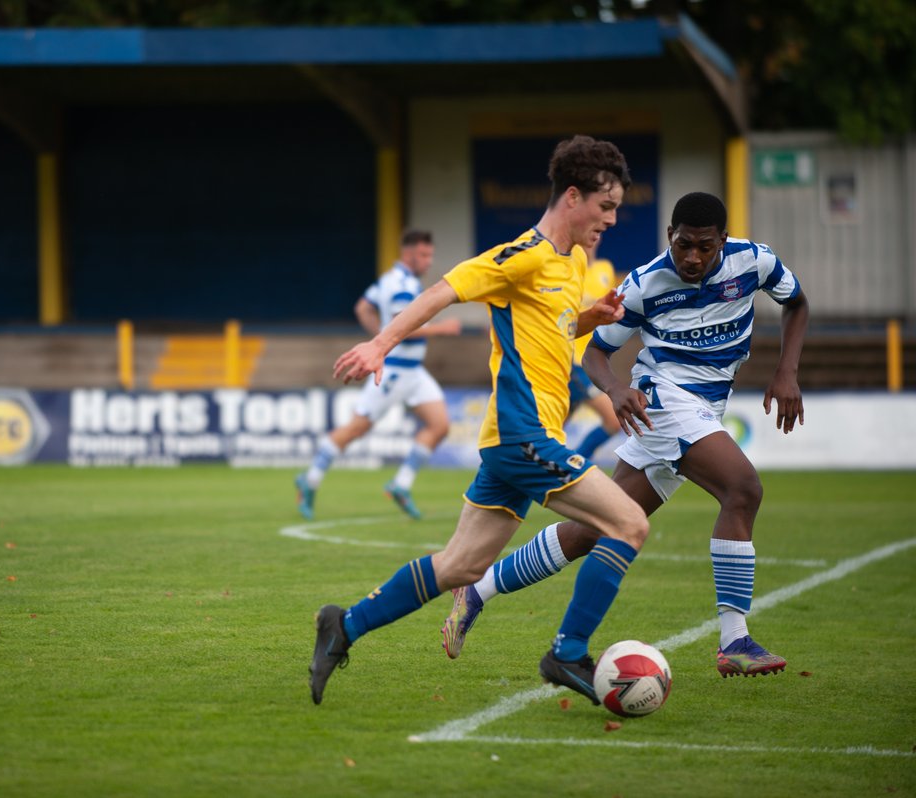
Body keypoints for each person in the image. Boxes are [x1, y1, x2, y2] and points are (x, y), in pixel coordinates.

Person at [309, 135, 647, 707]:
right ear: (572, 196)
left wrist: (586, 318)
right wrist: (381, 343)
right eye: (605, 206)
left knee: (461, 565)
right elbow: (444, 290)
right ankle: (567, 654)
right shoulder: (522, 256)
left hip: (515, 442)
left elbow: (550, 330)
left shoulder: (575, 262)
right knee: (629, 524)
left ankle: (344, 624)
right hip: (523, 436)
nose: (611, 220)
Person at [441, 191, 809, 679]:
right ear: (669, 237)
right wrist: (614, 388)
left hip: (706, 406)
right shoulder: (644, 284)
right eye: (683, 245)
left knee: (595, 528)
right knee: (742, 488)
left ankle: (478, 588)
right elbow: (595, 351)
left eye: (704, 246)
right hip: (662, 398)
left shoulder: (755, 261)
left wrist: (787, 371)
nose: (692, 257)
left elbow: (797, 303)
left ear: (723, 240)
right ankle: (735, 640)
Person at [294, 230, 461, 520]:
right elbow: (404, 327)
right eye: (424, 255)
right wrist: (440, 329)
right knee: (356, 428)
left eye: (429, 254)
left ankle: (400, 485)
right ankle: (309, 480)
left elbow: (363, 307)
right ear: (408, 254)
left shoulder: (388, 280)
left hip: (414, 372)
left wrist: (379, 337)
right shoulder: (402, 285)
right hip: (394, 371)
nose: (428, 260)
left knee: (440, 425)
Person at [567, 241, 622, 459]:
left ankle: (546, 475)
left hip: (592, 362)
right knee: (613, 420)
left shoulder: (604, 269)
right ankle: (576, 464)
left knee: (549, 432)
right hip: (572, 363)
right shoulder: (567, 272)